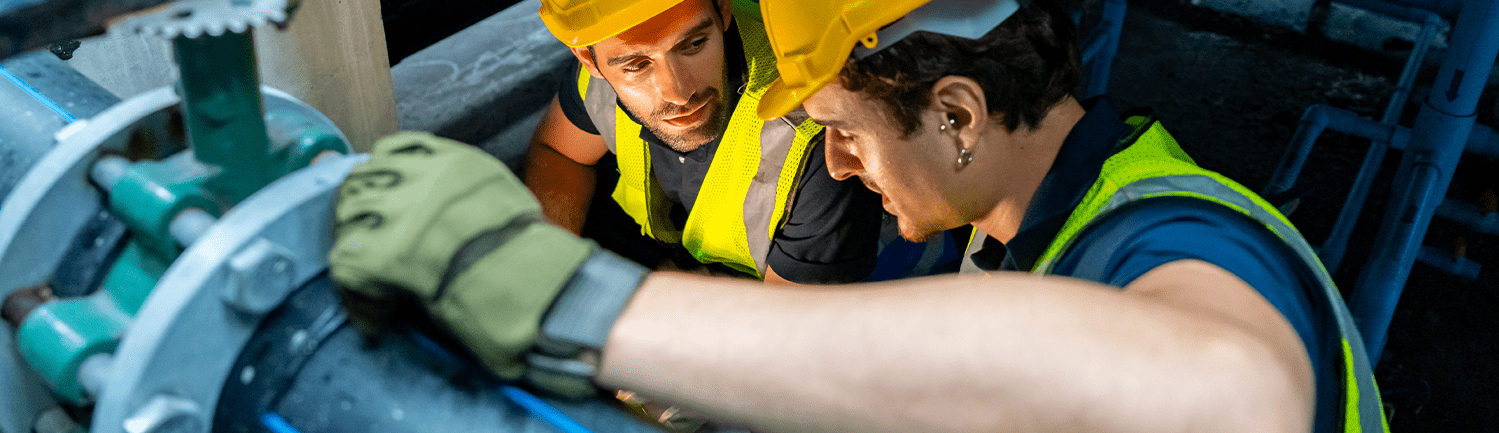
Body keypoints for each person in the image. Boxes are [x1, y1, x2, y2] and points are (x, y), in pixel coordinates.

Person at [328, 0, 1387, 431]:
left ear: (959, 111)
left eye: (841, 127)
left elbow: (1222, 397)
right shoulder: (1026, 224)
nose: (832, 161)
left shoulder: (1169, 235)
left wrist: (575, 301)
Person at [525, 0, 882, 284]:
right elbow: (558, 153)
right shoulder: (600, 75)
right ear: (589, 60)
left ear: (723, 10)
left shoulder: (820, 144)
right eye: (637, 66)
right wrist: (554, 277)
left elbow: (782, 331)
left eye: (694, 44)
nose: (679, 92)